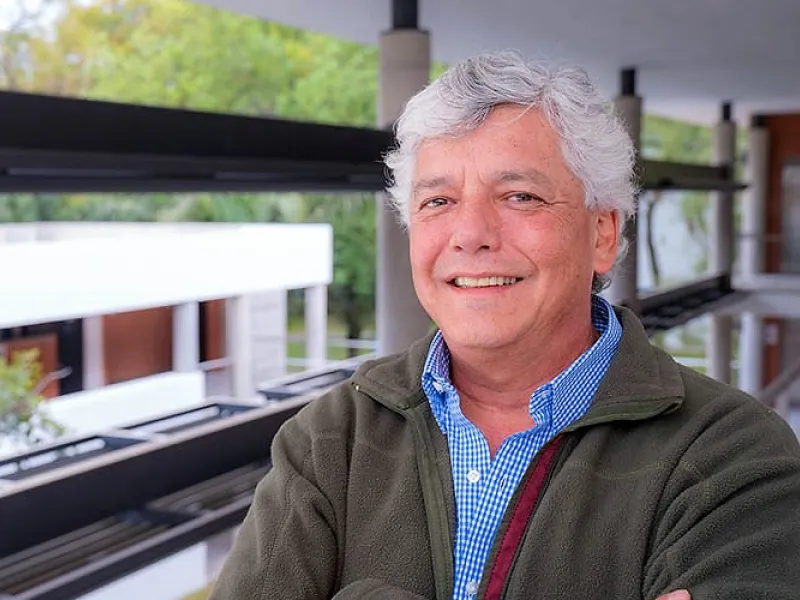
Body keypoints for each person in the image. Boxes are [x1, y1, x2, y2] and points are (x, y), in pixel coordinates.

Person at [209, 50, 800, 600]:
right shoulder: (331, 439)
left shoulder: (732, 456)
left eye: (519, 196)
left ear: (602, 233)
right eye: (437, 201)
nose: (471, 235)